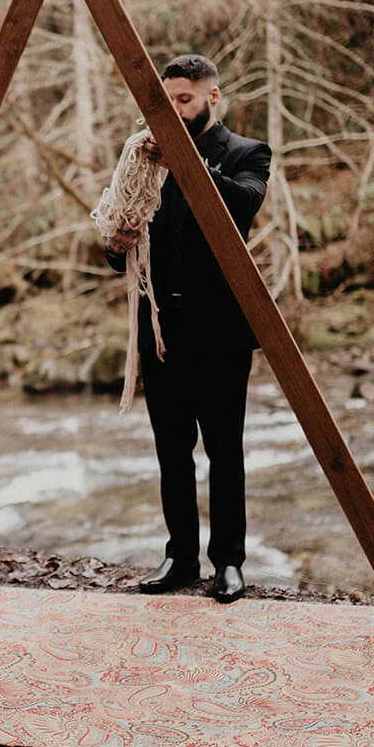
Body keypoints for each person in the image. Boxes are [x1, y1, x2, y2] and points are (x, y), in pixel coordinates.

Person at [91, 54, 270, 603]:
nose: (172, 111)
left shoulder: (247, 153)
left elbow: (241, 205)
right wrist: (114, 245)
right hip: (161, 329)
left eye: (184, 100)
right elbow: (119, 237)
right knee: (172, 449)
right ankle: (180, 557)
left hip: (221, 331)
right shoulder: (142, 159)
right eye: (165, 101)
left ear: (213, 97)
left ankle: (230, 563)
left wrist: (185, 160)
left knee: (224, 449)